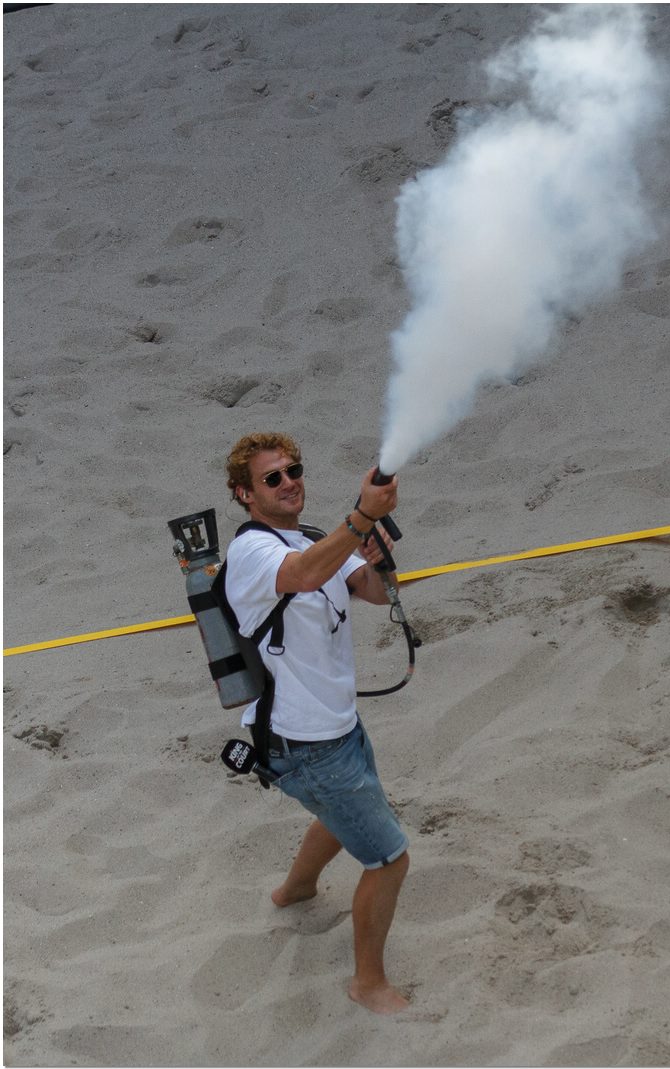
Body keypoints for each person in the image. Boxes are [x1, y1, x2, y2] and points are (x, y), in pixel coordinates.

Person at [222, 431, 411, 1015]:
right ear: (244, 494)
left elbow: (375, 594)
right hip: (304, 744)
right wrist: (360, 519)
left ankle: (295, 890)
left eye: (294, 469)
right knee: (389, 859)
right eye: (272, 477)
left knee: (338, 816)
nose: (289, 482)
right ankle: (368, 984)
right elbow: (303, 574)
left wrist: (377, 558)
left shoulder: (313, 538)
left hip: (336, 728)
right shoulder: (254, 554)